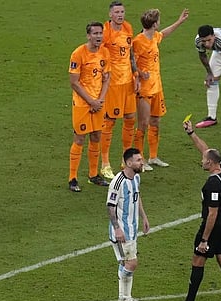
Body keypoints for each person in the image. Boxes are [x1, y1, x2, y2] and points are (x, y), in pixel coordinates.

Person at [168, 120, 221, 301]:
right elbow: (205, 149)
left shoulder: (212, 184)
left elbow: (212, 214)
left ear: (211, 163)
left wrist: (204, 240)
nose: (202, 161)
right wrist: (191, 134)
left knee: (198, 261)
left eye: (204, 160)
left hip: (214, 226)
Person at [133, 8, 189, 170]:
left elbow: (164, 34)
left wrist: (179, 21)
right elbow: (132, 62)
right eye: (159, 20)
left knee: (156, 121)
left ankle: (153, 156)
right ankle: (140, 159)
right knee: (143, 124)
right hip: (144, 89)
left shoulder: (154, 36)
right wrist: (140, 74)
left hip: (157, 86)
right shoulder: (139, 41)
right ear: (154, 24)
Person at [68, 21, 111, 192]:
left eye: (100, 33)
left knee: (96, 136)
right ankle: (72, 178)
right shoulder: (78, 54)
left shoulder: (105, 53)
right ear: (88, 35)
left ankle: (93, 175)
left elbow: (107, 78)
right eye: (95, 33)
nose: (98, 36)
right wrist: (91, 101)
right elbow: (74, 83)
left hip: (99, 103)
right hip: (82, 104)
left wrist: (99, 100)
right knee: (79, 138)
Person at [107, 147, 150, 301]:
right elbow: (110, 207)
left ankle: (125, 297)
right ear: (128, 162)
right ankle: (125, 298)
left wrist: (144, 217)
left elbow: (137, 197)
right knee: (131, 263)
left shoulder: (136, 177)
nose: (142, 162)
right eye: (138, 160)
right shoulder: (118, 182)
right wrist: (117, 229)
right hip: (121, 233)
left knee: (127, 263)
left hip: (132, 229)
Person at [100, 1, 138, 179]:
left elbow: (130, 54)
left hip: (128, 81)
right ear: (110, 15)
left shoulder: (128, 27)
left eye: (122, 11)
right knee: (110, 121)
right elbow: (99, 56)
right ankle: (105, 164)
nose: (120, 15)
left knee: (130, 118)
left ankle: (126, 160)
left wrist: (135, 74)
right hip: (113, 83)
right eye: (116, 12)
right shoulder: (105, 32)